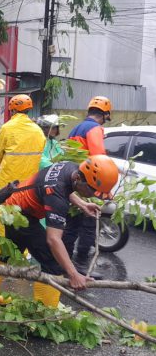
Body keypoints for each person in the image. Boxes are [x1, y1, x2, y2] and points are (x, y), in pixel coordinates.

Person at [0, 155, 118, 307]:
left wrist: (82, 204)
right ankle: (46, 314)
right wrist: (74, 274)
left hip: (13, 207)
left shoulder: (72, 167)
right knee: (53, 263)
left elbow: (65, 188)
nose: (93, 196)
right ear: (80, 179)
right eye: (93, 192)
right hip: (19, 214)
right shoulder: (57, 198)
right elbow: (53, 240)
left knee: (9, 253)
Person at [0, 94, 46, 305]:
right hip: (29, 190)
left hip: (7, 189)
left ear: (12, 109)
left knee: (3, 238)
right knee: (23, 230)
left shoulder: (7, 128)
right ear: (30, 109)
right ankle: (44, 307)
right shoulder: (38, 131)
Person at [64, 96, 112, 277]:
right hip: (88, 182)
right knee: (89, 222)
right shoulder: (94, 129)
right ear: (105, 114)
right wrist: (104, 190)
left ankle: (66, 262)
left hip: (73, 180)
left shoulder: (75, 129)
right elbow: (99, 158)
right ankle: (81, 264)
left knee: (72, 224)